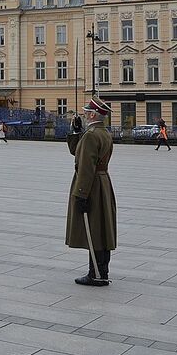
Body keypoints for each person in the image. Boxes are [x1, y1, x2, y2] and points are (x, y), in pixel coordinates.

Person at [65, 95, 117, 287]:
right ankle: (102, 270)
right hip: (103, 183)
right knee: (103, 229)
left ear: (93, 114)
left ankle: (95, 274)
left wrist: (80, 193)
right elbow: (79, 150)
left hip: (92, 185)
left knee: (94, 229)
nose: (84, 114)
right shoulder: (103, 132)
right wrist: (76, 132)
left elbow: (85, 166)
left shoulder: (91, 135)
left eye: (87, 112)